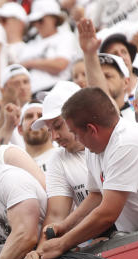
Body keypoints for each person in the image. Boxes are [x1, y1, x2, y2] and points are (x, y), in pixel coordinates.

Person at [26, 87, 138, 259]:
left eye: (76, 133)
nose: (76, 139)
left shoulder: (127, 143)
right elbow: (96, 196)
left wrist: (62, 244)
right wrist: (65, 226)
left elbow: (107, 213)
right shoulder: (95, 147)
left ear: (92, 130)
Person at [30, 81, 90, 233]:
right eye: (49, 130)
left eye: (58, 126)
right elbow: (55, 216)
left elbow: (108, 208)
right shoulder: (58, 159)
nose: (54, 137)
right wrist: (41, 252)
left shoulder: (113, 141)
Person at [18, 0, 76, 92]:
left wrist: (29, 63)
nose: (37, 25)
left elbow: (60, 65)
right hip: (32, 96)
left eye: (41, 20)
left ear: (54, 18)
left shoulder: (66, 37)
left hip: (57, 91)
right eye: (34, 21)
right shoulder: (29, 44)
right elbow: (19, 70)